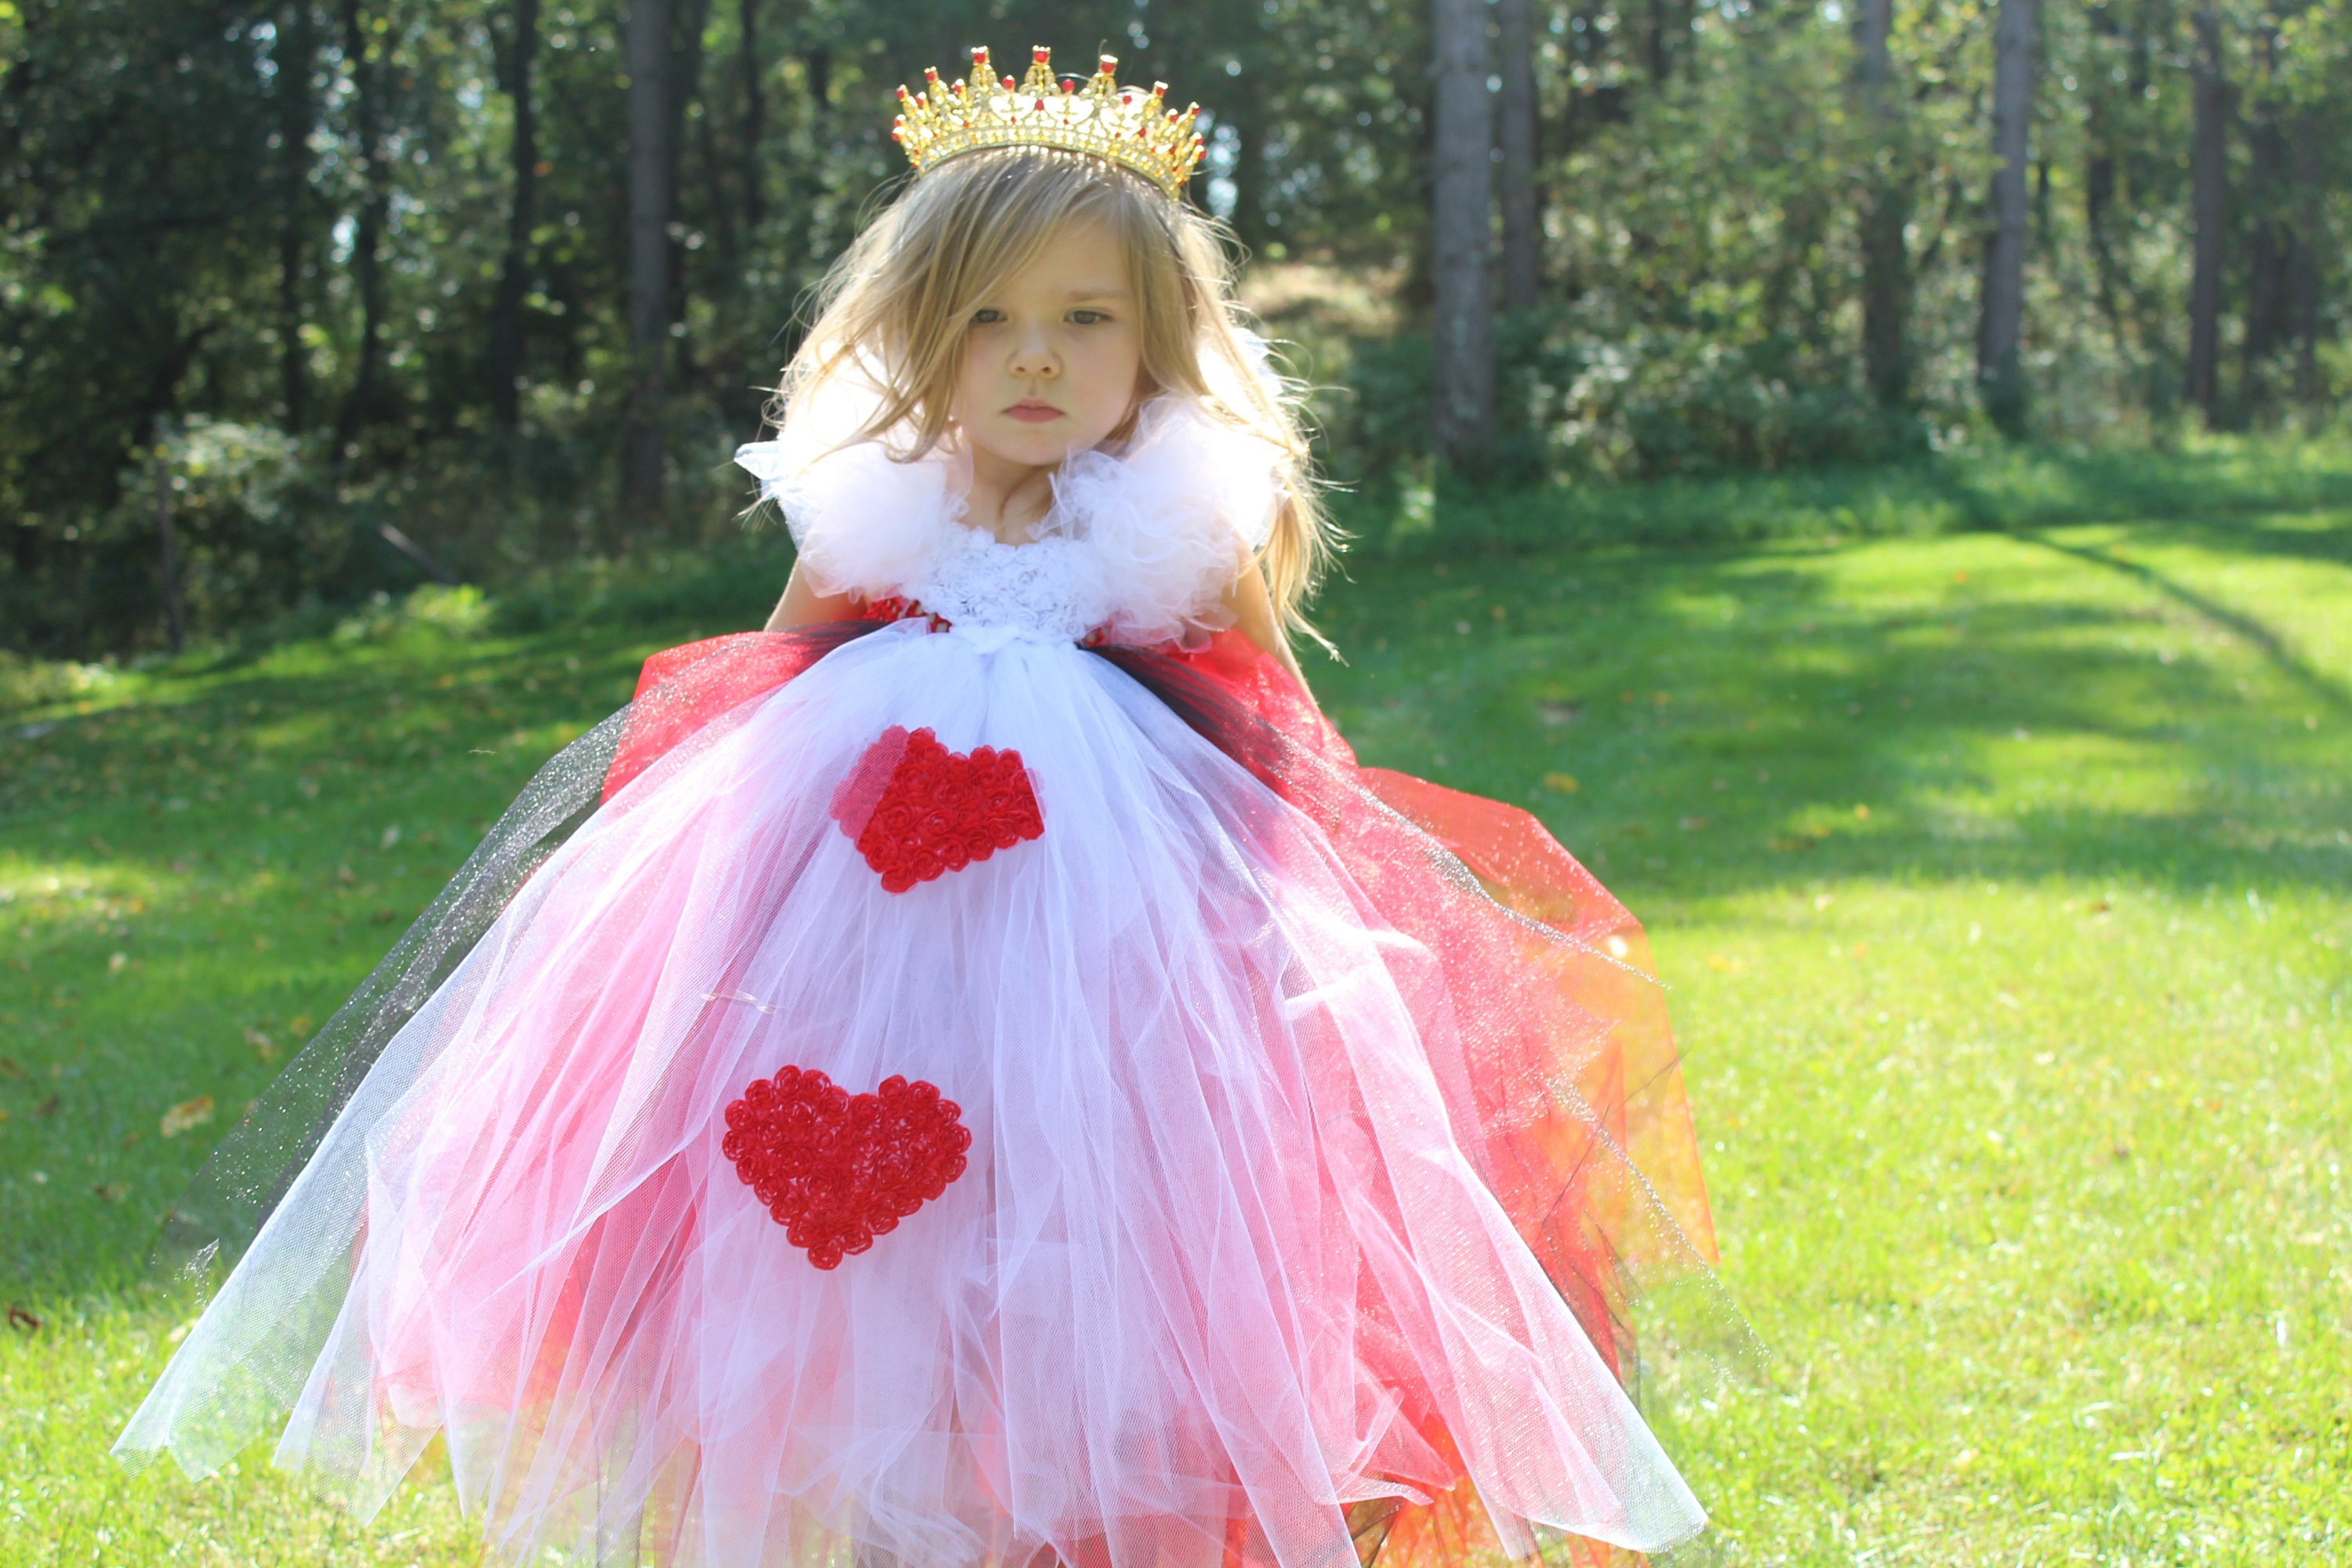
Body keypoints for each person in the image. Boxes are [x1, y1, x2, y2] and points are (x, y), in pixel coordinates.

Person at [117, 45, 1730, 1568]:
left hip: (1117, 955)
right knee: (874, 1263)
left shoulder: (1184, 515)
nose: (1037, 356)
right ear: (923, 333)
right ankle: (906, 1511)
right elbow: (748, 705)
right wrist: (676, 931)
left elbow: (1275, 739)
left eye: (1087, 320)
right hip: (857, 951)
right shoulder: (872, 503)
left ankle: (1060, 1497)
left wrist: (1322, 943)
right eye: (988, 320)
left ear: (1155, 338)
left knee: (1091, 1233)